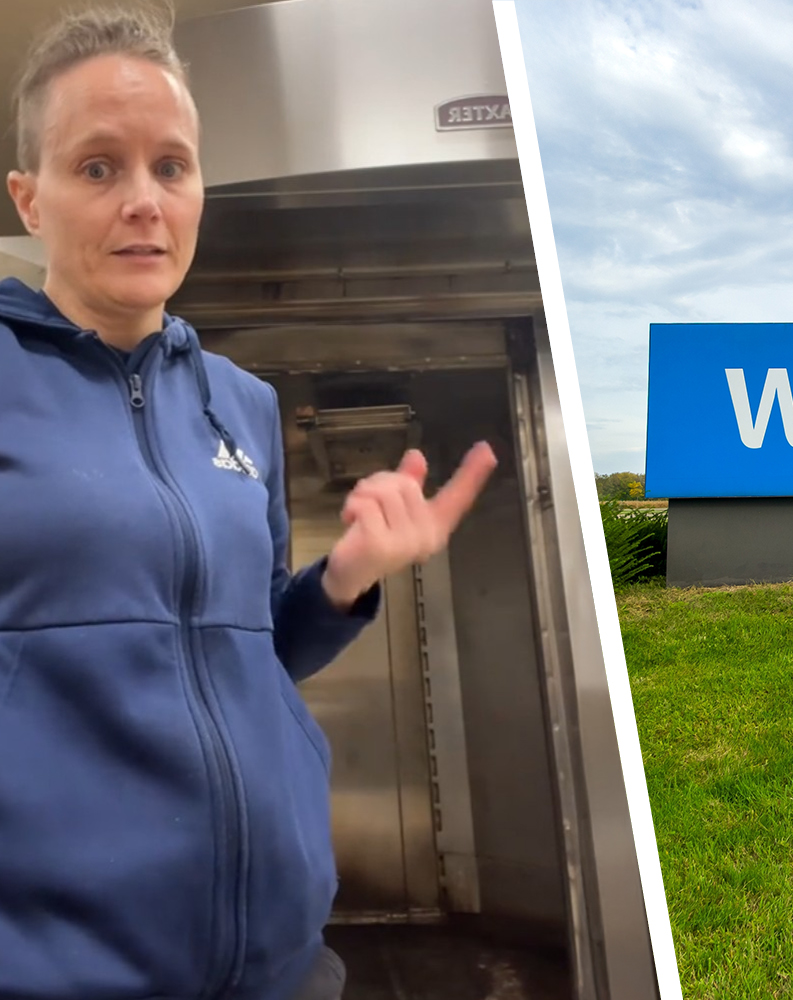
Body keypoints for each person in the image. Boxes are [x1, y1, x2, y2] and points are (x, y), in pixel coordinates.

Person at [0, 7, 498, 999]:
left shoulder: (241, 402)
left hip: (280, 965)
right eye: (99, 167)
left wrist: (347, 580)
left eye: (171, 167)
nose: (143, 199)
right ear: (30, 200)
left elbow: (248, 649)